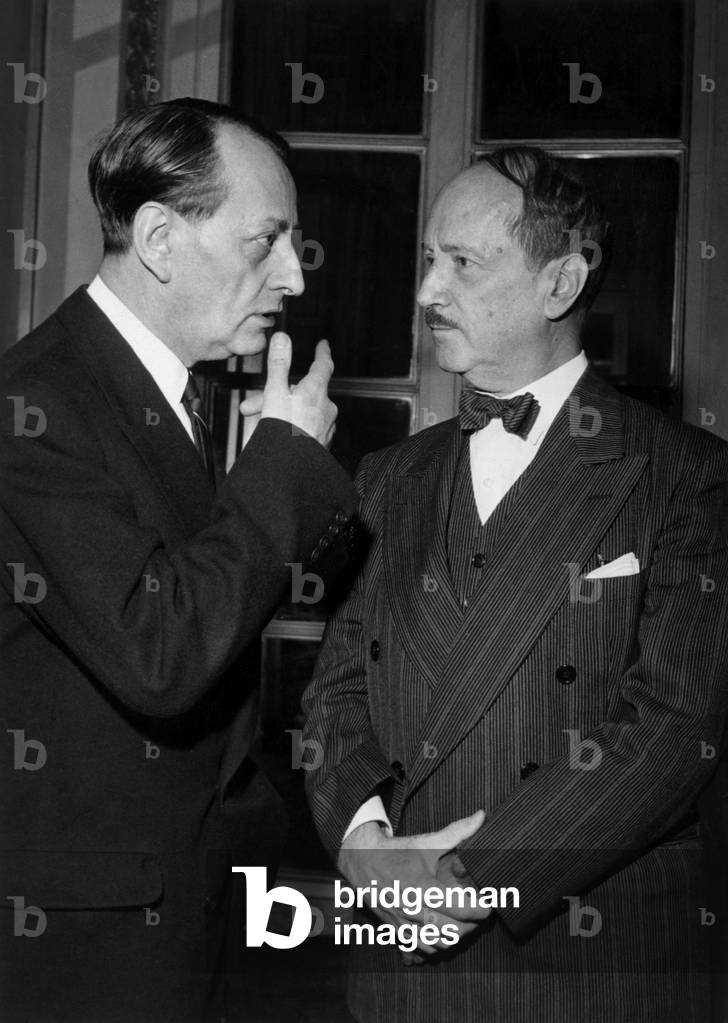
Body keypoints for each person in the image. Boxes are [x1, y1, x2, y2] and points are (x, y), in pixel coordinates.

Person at [303, 146, 728, 1022]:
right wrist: (364, 844)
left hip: (586, 964)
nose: (426, 292)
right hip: (397, 968)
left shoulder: (689, 475)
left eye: (462, 262)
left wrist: (466, 880)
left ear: (561, 281)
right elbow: (336, 689)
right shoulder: (386, 475)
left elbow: (671, 729)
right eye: (428, 259)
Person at [0, 97, 357, 1023]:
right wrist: (284, 462)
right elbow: (162, 650)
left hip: (185, 917)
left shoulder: (162, 395)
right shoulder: (37, 405)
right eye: (264, 241)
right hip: (86, 951)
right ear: (160, 237)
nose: (293, 277)